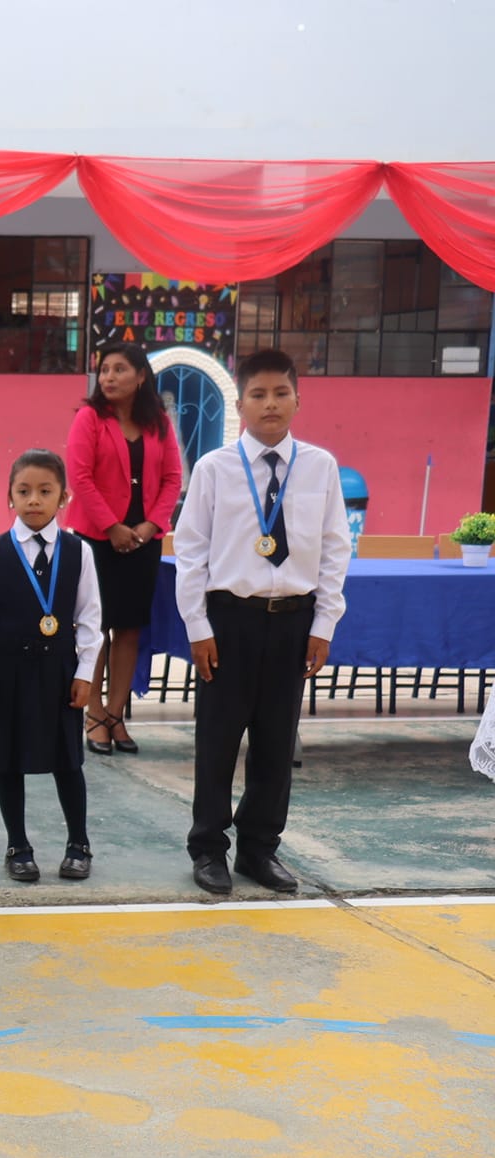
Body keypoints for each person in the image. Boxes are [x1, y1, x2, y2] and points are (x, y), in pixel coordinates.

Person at [174, 348, 351, 896]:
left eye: (280, 393)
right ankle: (208, 849)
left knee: (276, 744)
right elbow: (191, 552)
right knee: (219, 741)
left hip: (292, 621)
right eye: (258, 394)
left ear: (299, 398)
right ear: (240, 404)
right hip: (230, 622)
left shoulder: (320, 467)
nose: (270, 403)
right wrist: (198, 628)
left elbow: (334, 548)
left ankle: (259, 848)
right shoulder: (214, 469)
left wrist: (323, 624)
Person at [0, 450, 103, 882]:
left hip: (60, 673)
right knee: (9, 760)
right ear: (10, 496)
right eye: (23, 491)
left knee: (68, 761)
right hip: (8, 673)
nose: (34, 500)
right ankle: (18, 845)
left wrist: (84, 674)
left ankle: (79, 843)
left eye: (45, 491)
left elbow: (91, 618)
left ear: (64, 497)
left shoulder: (78, 551)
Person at [65, 340, 183, 756]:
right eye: (105, 369)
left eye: (119, 369)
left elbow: (172, 479)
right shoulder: (89, 418)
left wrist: (151, 526)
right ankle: (93, 714)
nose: (109, 377)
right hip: (95, 541)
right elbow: (79, 477)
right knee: (95, 630)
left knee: (130, 627)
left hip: (143, 542)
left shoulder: (159, 423)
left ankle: (116, 715)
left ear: (141, 376)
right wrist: (112, 526)